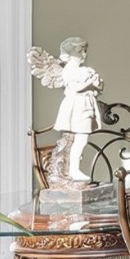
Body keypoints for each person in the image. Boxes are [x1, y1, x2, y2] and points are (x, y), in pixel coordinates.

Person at [52, 37, 103, 181]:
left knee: (81, 140)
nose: (84, 55)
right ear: (72, 53)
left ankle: (74, 169)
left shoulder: (83, 70)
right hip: (78, 106)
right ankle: (74, 170)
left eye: (85, 51)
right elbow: (74, 88)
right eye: (81, 51)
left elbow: (97, 90)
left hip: (86, 104)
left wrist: (97, 84)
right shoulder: (69, 70)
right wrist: (89, 82)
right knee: (81, 139)